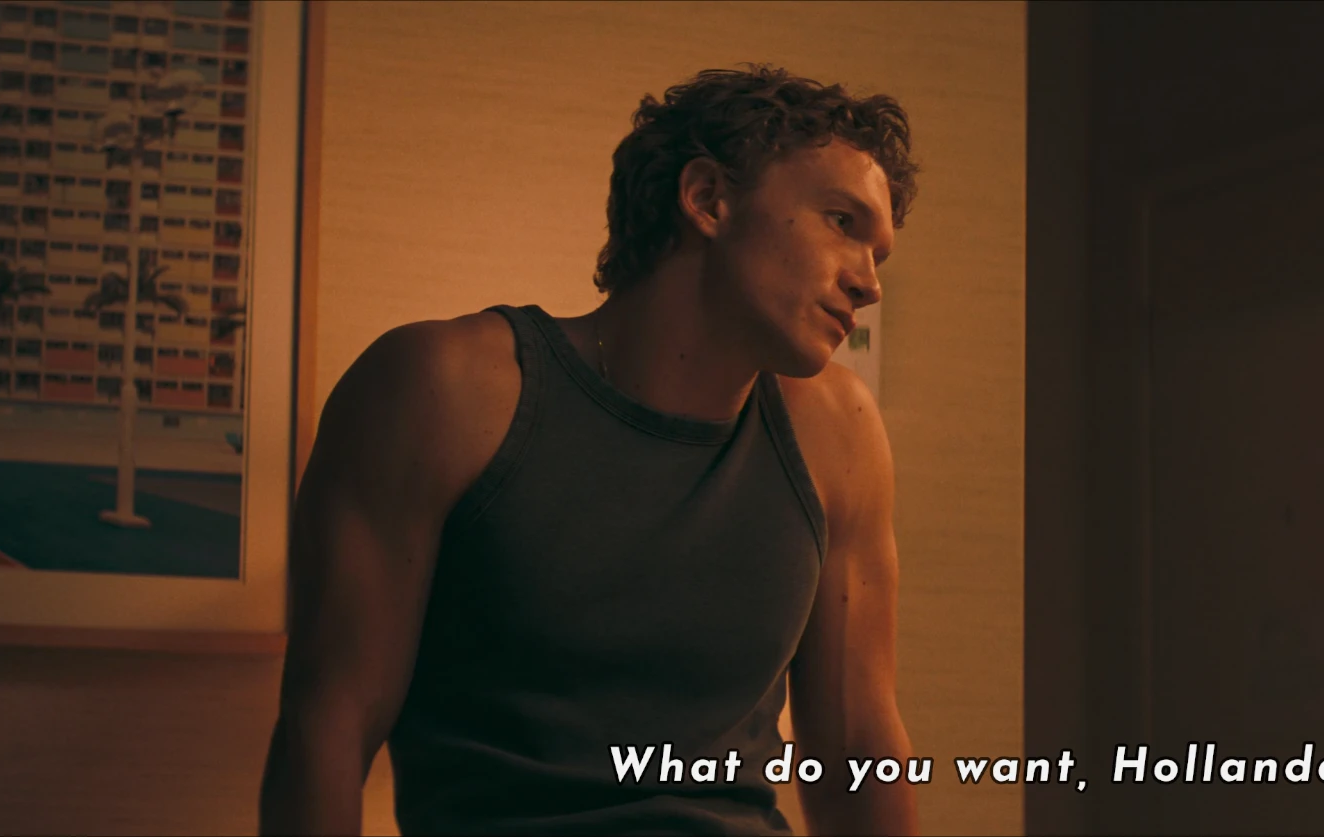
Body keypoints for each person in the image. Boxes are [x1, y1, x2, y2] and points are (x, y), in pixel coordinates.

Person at [259, 64, 921, 836]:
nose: (870, 284)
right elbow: (326, 724)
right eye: (843, 221)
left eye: (879, 254)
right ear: (708, 198)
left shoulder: (837, 429)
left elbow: (857, 747)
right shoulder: (444, 388)